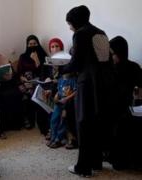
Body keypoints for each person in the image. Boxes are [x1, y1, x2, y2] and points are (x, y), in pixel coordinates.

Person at [64, 5, 116, 177]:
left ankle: (83, 167)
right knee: (96, 121)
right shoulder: (102, 32)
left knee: (83, 123)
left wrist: (60, 69)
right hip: (105, 83)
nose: (69, 27)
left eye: (70, 23)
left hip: (88, 84)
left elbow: (76, 63)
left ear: (75, 21)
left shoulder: (79, 34)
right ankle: (96, 162)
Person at [109, 36, 142, 170]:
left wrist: (138, 103)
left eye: (113, 53)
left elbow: (140, 88)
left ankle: (127, 160)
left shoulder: (133, 67)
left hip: (126, 105)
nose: (111, 56)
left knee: (125, 122)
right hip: (109, 104)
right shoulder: (108, 68)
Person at [17, 35, 50, 133]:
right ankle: (27, 119)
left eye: (34, 44)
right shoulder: (23, 56)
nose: (32, 46)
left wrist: (36, 60)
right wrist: (22, 78)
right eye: (30, 44)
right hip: (25, 81)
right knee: (23, 93)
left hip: (38, 81)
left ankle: (38, 121)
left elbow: (43, 72)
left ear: (38, 44)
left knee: (34, 91)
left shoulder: (43, 56)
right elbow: (19, 71)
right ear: (27, 45)